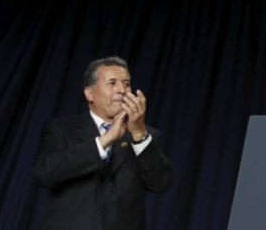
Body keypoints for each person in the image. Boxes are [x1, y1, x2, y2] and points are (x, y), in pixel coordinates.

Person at [34, 56, 174, 230]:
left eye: (126, 83)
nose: (122, 90)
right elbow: (46, 173)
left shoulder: (145, 135)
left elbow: (161, 182)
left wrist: (138, 133)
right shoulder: (61, 129)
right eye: (112, 83)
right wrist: (105, 140)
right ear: (89, 93)